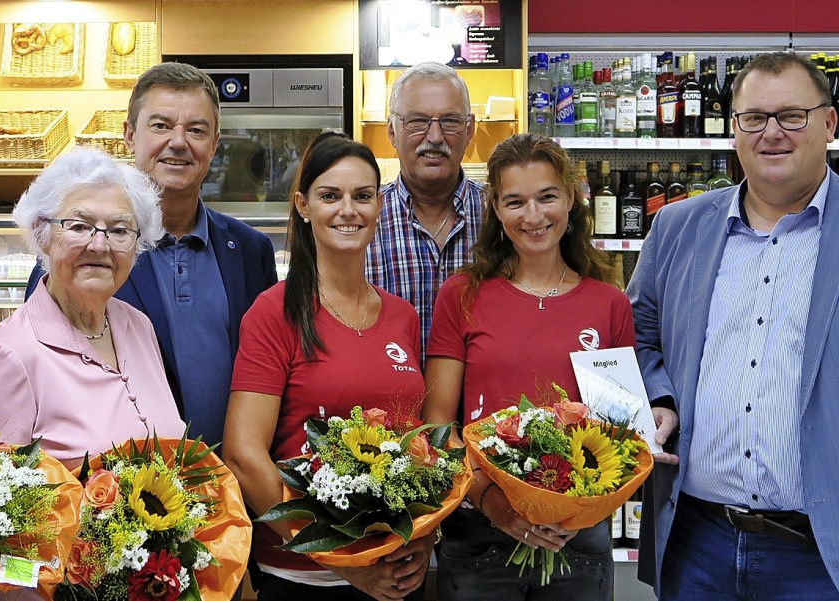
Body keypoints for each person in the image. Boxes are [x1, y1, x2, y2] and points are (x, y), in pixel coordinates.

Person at [629, 51, 839, 599]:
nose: (772, 133)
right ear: (733, 128)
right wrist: (661, 399)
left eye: (792, 115)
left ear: (829, 123)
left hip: (821, 552)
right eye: (754, 118)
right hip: (697, 542)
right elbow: (638, 332)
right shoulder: (677, 227)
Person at [423, 133, 635, 600]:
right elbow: (438, 424)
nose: (533, 216)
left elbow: (622, 432)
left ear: (572, 201)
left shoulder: (609, 304)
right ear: (496, 210)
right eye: (515, 201)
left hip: (578, 538)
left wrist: (578, 505)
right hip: (480, 534)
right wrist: (493, 501)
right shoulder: (461, 297)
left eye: (547, 197)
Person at [223, 134, 434, 601]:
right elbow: (243, 454)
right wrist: (339, 556)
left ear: (379, 206)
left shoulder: (402, 316)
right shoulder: (273, 312)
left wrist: (423, 536)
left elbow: (416, 445)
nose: (348, 210)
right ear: (303, 205)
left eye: (362, 196)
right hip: (303, 579)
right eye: (329, 195)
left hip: (396, 574)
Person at [25, 62, 277, 446]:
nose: (178, 141)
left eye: (196, 129)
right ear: (129, 134)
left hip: (234, 487)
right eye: (160, 126)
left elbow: (268, 374)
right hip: (122, 490)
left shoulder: (249, 250)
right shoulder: (85, 250)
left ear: (214, 142)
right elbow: (39, 369)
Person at [0, 147, 185, 467]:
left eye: (119, 230)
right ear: (43, 235)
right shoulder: (9, 354)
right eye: (79, 226)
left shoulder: (139, 327)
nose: (99, 245)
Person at [365, 61, 485, 360]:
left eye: (450, 121)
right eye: (417, 121)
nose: (434, 137)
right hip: (383, 405)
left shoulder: (502, 218)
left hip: (489, 406)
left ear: (469, 130)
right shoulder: (361, 222)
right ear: (392, 131)